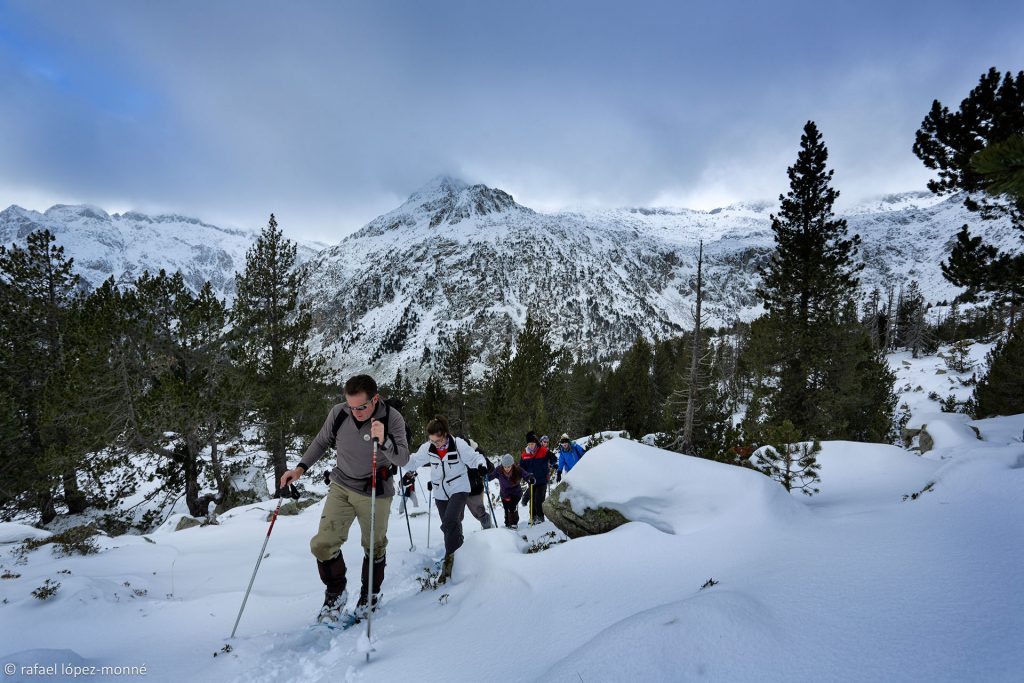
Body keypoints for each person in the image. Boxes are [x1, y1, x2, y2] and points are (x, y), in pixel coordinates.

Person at [279, 374, 411, 626]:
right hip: (341, 485)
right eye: (352, 407)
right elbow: (321, 441)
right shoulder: (339, 413)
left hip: (375, 490)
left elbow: (403, 458)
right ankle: (336, 594)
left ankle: (370, 595)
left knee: (374, 546)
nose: (356, 412)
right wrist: (299, 469)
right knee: (322, 545)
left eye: (362, 407)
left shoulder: (392, 418)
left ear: (375, 399)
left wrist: (384, 440)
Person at [401, 416, 488, 584]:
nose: (436, 444)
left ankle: (449, 561)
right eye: (433, 441)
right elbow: (413, 462)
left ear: (446, 435)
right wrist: (400, 460)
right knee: (451, 527)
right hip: (440, 493)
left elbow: (474, 458)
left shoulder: (458, 444)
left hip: (459, 488)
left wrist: (481, 465)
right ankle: (459, 556)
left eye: (439, 440)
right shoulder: (428, 448)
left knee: (449, 522)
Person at [518, 431, 556, 524]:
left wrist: (551, 461)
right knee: (532, 500)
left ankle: (540, 517)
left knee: (538, 499)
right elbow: (522, 469)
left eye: (532, 444)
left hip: (542, 480)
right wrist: (525, 477)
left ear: (535, 443)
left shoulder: (543, 450)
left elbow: (553, 459)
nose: (531, 446)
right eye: (529, 444)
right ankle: (533, 517)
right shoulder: (524, 455)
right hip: (532, 481)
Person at [489, 453, 535, 529]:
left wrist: (530, 478)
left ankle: (514, 524)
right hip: (504, 494)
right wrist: (485, 477)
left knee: (512, 507)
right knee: (506, 509)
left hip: (516, 493)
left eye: (509, 466)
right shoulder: (499, 470)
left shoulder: (518, 469)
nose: (507, 468)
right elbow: (491, 476)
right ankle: (507, 524)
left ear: (512, 465)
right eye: (505, 467)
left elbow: (526, 475)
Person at [464, 438, 495, 529]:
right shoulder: (454, 452)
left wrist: (484, 468)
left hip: (474, 488)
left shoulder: (477, 452)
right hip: (457, 489)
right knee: (456, 516)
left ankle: (489, 530)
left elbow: (490, 467)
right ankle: (456, 536)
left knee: (480, 513)